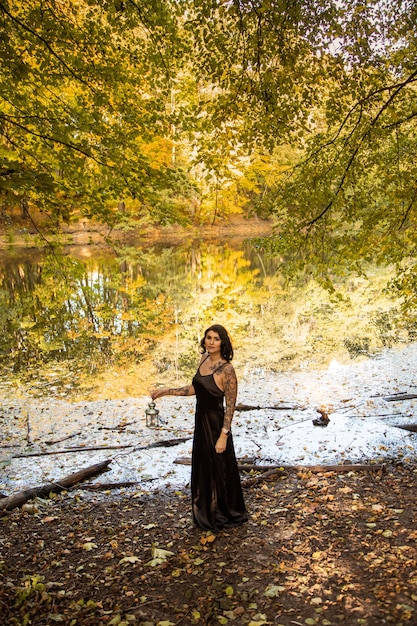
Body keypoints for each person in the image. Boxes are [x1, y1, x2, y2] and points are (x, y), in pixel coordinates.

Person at [151, 324, 248, 531]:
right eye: (208, 337)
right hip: (200, 422)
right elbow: (195, 388)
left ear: (223, 342)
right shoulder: (203, 359)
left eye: (216, 339)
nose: (211, 342)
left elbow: (230, 405)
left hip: (216, 425)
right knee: (203, 466)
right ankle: (205, 510)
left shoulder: (226, 369)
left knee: (220, 468)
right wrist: (165, 391)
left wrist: (224, 435)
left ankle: (225, 511)